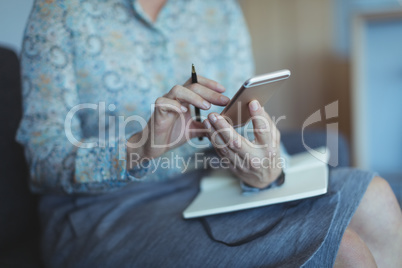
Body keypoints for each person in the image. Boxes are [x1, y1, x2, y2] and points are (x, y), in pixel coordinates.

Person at [17, 0, 402, 267]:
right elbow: (42, 161)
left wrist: (268, 170)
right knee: (344, 252)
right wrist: (142, 147)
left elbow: (240, 118)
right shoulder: (61, 11)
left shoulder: (217, 8)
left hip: (209, 183)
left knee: (378, 198)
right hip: (103, 211)